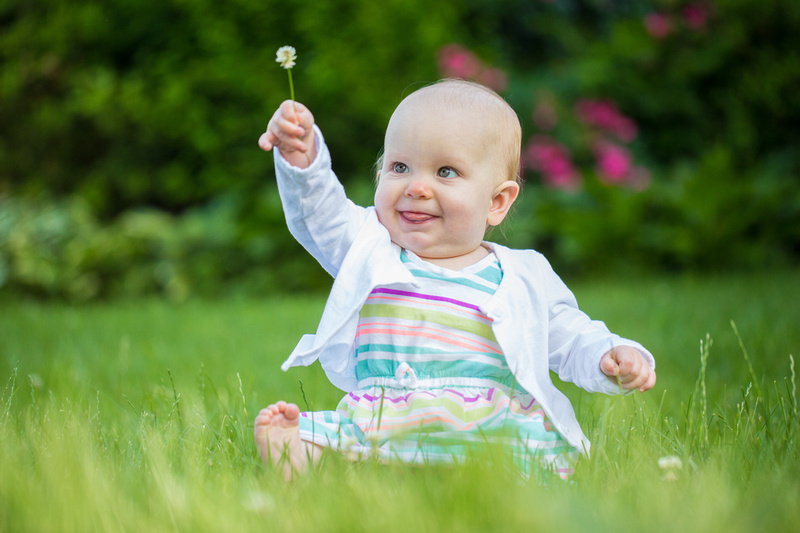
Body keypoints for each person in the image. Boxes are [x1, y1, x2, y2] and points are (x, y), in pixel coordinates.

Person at [255, 79, 656, 481]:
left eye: (446, 171)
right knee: (317, 437)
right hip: (382, 422)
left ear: (497, 202)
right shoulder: (369, 247)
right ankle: (304, 458)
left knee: (521, 460)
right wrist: (302, 159)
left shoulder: (524, 276)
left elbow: (570, 336)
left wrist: (609, 354)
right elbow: (320, 217)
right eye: (399, 167)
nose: (416, 187)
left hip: (490, 431)